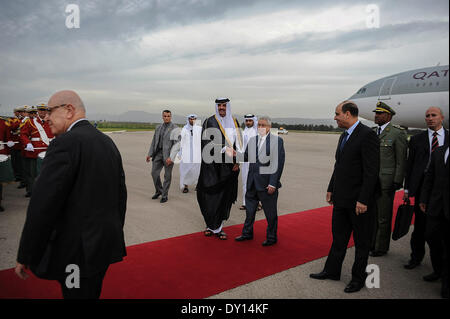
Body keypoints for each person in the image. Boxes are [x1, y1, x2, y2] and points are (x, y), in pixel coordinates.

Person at [15, 90, 127, 299]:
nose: (46, 117)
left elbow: (42, 205)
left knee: (75, 296)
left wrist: (26, 253)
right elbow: (120, 195)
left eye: (49, 111)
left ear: (69, 110)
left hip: (75, 254)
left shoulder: (65, 143)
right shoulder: (106, 142)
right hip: (102, 247)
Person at [310, 101, 380, 293]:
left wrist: (364, 199)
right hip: (341, 199)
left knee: (362, 242)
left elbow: (372, 172)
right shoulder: (344, 136)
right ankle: (332, 271)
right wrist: (331, 188)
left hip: (359, 202)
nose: (335, 117)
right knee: (339, 237)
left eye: (337, 114)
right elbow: (339, 165)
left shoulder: (367, 135)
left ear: (348, 114)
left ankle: (358, 279)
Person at [403, 107, 448, 273]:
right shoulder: (416, 139)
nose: (430, 118)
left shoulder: (448, 137)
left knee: (440, 228)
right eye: (427, 116)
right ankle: (416, 257)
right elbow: (410, 166)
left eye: (433, 115)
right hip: (423, 188)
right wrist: (407, 189)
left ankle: (440, 265)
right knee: (420, 227)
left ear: (441, 117)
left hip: (443, 190)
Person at [234, 116, 285, 246]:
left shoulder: (277, 141)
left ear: (269, 127)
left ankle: (272, 237)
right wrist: (234, 154)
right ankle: (247, 233)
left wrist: (273, 183)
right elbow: (245, 157)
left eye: (263, 125)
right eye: (259, 125)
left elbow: (277, 163)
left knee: (270, 213)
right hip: (252, 182)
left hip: (267, 184)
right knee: (249, 211)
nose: (261, 127)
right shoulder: (252, 140)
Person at [196, 98, 242, 240]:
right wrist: (224, 147)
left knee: (224, 197)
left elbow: (239, 144)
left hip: (228, 167)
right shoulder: (210, 121)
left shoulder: (234, 122)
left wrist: (238, 161)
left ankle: (219, 227)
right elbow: (205, 142)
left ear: (228, 107)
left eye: (224, 105)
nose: (222, 108)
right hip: (212, 166)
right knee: (208, 196)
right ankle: (210, 225)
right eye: (220, 105)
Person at [370, 102, 407, 257]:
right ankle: (371, 243)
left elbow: (401, 160)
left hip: (386, 182)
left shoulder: (397, 133)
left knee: (383, 217)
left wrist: (397, 181)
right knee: (371, 215)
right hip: (371, 181)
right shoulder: (372, 132)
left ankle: (380, 247)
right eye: (376, 113)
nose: (376, 115)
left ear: (388, 116)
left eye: (380, 113)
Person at [419, 145, 449, 299]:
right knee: (431, 237)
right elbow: (429, 176)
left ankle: (446, 282)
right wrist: (424, 198)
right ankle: (437, 270)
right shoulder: (439, 151)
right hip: (436, 205)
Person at [146, 110, 180, 203]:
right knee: (154, 173)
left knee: (167, 176)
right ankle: (159, 191)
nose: (166, 118)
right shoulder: (158, 127)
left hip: (168, 155)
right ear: (162, 117)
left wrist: (172, 157)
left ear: (171, 117)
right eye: (165, 116)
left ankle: (164, 195)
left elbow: (177, 144)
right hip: (158, 154)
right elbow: (154, 141)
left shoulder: (175, 128)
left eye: (168, 116)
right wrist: (149, 154)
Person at [239, 114, 259, 211]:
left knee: (255, 182)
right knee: (245, 181)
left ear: (254, 121)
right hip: (245, 161)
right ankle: (245, 202)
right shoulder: (244, 132)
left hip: (254, 161)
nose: (248, 122)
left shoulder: (257, 132)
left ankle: (258, 203)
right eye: (246, 121)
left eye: (250, 121)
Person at [178, 114, 201, 193]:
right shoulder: (184, 129)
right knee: (185, 170)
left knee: (197, 170)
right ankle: (185, 186)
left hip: (197, 153)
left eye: (194, 119)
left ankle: (197, 185)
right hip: (186, 153)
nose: (192, 120)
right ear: (188, 120)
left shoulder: (199, 129)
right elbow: (181, 142)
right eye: (190, 119)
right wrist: (180, 153)